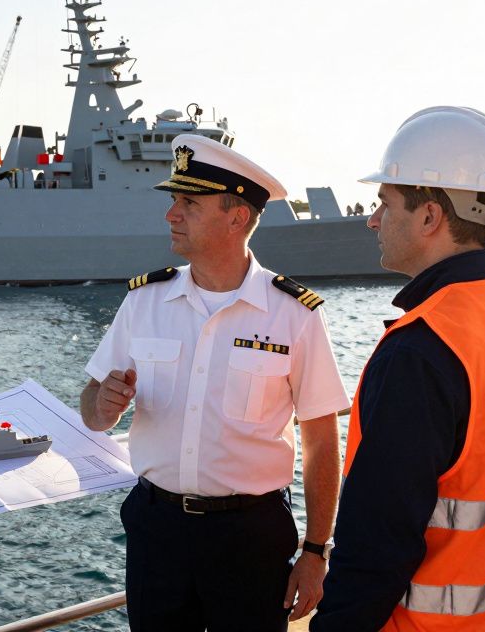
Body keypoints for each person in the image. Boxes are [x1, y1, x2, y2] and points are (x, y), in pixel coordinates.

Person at [311, 107, 485, 631]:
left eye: (383, 204)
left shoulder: (419, 351)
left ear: (429, 217)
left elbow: (376, 545)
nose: (371, 219)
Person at [81, 133, 350, 631]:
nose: (171, 214)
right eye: (173, 201)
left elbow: (320, 443)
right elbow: (91, 404)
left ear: (237, 217)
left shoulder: (295, 315)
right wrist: (103, 406)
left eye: (188, 202)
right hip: (156, 529)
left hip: (250, 536)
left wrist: (316, 550)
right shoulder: (144, 301)